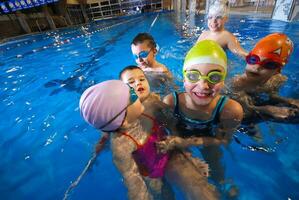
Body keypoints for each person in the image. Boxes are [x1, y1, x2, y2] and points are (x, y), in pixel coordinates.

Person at [119, 65, 219, 200]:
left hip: (167, 153)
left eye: (142, 79)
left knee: (201, 190)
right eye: (131, 82)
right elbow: (114, 138)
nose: (138, 83)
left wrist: (186, 152)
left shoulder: (155, 102)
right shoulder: (119, 115)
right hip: (146, 167)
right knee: (163, 195)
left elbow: (173, 126)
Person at [160, 40, 243, 198]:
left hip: (210, 137)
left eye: (214, 77)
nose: (203, 85)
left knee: (216, 167)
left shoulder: (230, 110)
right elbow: (171, 131)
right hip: (181, 133)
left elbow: (224, 141)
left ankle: (222, 182)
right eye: (193, 76)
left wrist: (190, 142)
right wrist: (182, 147)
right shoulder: (171, 102)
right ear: (184, 79)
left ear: (223, 80)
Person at [79, 80, 173, 200]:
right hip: (154, 174)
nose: (137, 94)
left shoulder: (147, 107)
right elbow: (134, 184)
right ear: (123, 120)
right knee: (164, 193)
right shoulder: (121, 145)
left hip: (169, 154)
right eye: (133, 96)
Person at [228, 33, 298, 124]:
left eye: (269, 64)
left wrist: (288, 101)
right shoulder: (239, 83)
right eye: (253, 60)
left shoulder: (277, 80)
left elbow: (271, 95)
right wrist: (266, 110)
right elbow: (244, 109)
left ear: (277, 70)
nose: (256, 67)